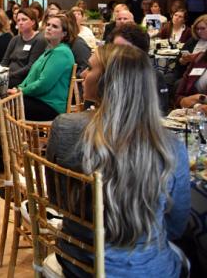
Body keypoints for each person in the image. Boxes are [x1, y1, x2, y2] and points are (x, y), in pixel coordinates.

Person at [45, 44, 190, 277]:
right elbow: (176, 226)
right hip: (146, 267)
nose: (82, 74)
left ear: (108, 81)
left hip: (79, 261)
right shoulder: (171, 146)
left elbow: (57, 201)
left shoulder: (65, 127)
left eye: (89, 69)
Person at [7, 14, 75, 120]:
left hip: (50, 106)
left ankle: (14, 136)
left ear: (64, 34)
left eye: (55, 26)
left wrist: (20, 91)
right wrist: (19, 88)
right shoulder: (50, 49)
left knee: (4, 106)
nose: (49, 28)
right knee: (4, 100)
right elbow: (31, 77)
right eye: (48, 24)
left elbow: (43, 84)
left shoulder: (61, 52)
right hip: (39, 99)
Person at [110, 23, 170, 112]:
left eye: (124, 49)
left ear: (140, 52)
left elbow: (161, 110)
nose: (117, 53)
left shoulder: (153, 77)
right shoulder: (106, 73)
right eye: (114, 48)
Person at [1, 7, 47, 89]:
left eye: (24, 20)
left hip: (24, 79)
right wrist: (0, 73)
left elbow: (31, 66)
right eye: (18, 20)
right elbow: (5, 61)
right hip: (9, 77)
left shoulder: (39, 39)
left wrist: (10, 75)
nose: (20, 23)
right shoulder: (15, 39)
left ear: (33, 22)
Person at [63, 9, 92, 76]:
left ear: (70, 25)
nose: (49, 28)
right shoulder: (54, 44)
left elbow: (84, 70)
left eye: (55, 26)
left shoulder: (79, 44)